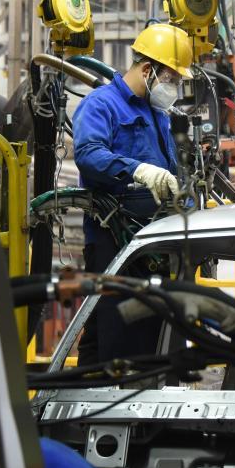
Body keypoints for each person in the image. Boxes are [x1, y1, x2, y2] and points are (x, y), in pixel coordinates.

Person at [73, 22, 193, 365]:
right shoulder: (102, 104)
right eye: (172, 78)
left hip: (152, 241)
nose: (174, 87)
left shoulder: (158, 115)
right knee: (119, 339)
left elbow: (171, 171)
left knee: (147, 338)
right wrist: (138, 170)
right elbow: (88, 154)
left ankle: (104, 392)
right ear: (147, 69)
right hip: (114, 240)